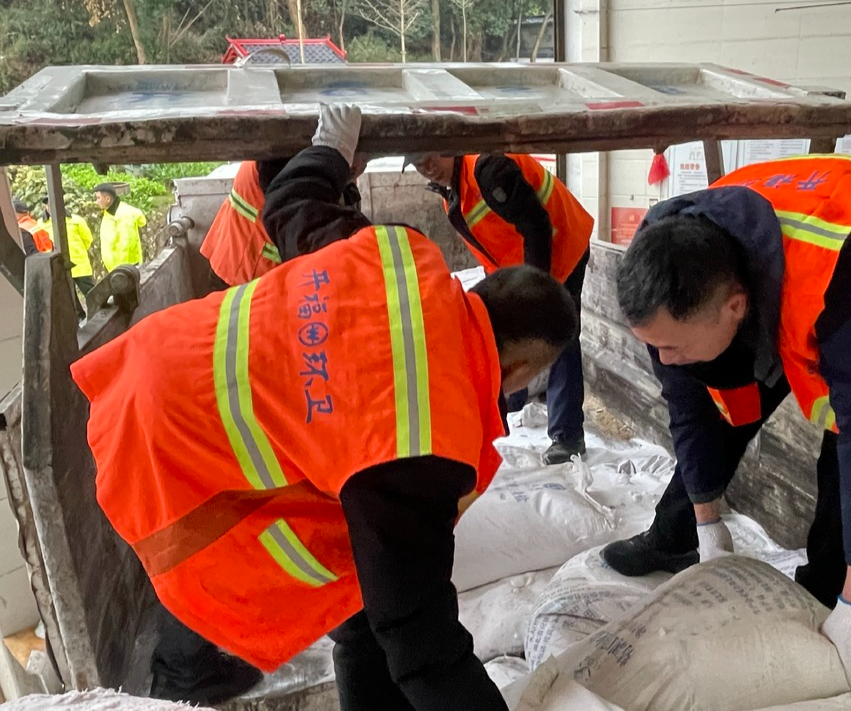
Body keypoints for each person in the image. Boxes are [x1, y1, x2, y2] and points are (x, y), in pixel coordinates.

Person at [71, 104, 578, 711]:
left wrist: (331, 151)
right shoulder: (430, 436)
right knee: (214, 620)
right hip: (175, 447)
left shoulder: (401, 257)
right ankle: (184, 681)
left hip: (158, 358)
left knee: (359, 601)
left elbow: (288, 203)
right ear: (521, 370)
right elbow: (421, 639)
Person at [600, 155, 851, 687]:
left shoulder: (846, 271)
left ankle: (832, 589)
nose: (664, 359)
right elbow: (689, 407)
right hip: (772, 265)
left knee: (846, 433)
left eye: (671, 346)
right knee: (721, 403)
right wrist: (707, 525)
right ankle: (677, 533)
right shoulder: (663, 259)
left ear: (735, 308)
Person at [403, 151, 594, 465]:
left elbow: (538, 227)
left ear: (449, 147)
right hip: (520, 265)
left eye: (430, 158)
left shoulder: (488, 170)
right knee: (506, 332)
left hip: (563, 248)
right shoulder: (451, 190)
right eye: (418, 164)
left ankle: (568, 436)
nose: (426, 168)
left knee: (558, 336)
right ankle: (514, 399)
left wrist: (538, 291)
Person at [199, 154, 370, 289]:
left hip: (250, 270)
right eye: (360, 159)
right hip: (246, 275)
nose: (361, 165)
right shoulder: (280, 164)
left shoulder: (314, 158)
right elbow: (314, 235)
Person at [41, 197, 96, 297]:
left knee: (92, 294)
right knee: (69, 299)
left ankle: (99, 311)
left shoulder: (76, 220)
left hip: (79, 265)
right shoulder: (41, 224)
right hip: (59, 267)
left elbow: (87, 239)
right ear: (45, 207)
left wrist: (78, 251)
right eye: (49, 206)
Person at [94, 183, 146, 271]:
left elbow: (126, 245)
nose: (96, 201)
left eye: (99, 198)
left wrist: (122, 270)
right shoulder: (109, 213)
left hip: (126, 268)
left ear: (107, 199)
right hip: (116, 268)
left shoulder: (124, 215)